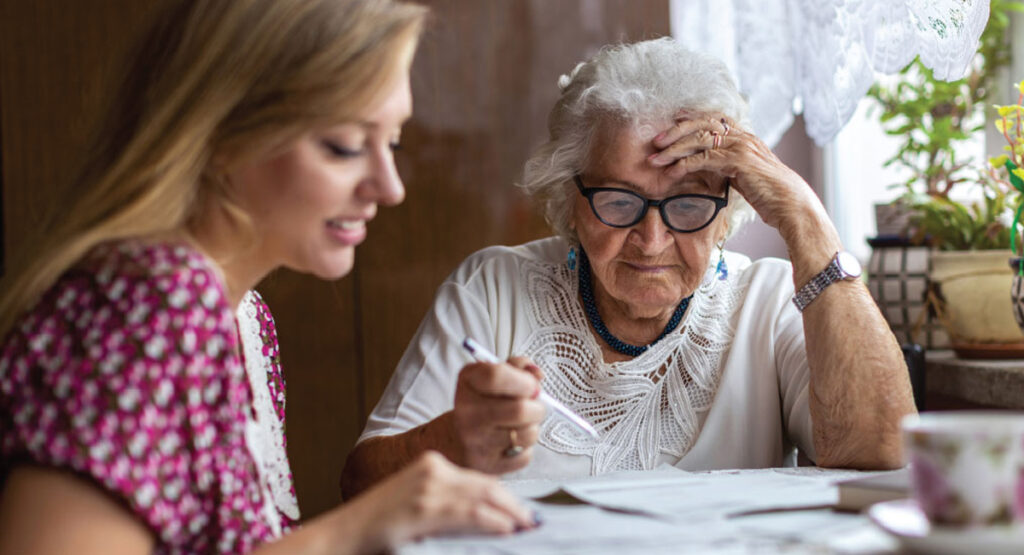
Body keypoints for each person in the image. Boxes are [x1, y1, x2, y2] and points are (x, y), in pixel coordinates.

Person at [0, 1, 537, 553]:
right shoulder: (143, 311)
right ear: (224, 133)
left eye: (393, 142)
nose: (390, 186)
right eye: (346, 146)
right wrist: (353, 529)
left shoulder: (245, 319)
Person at [341, 37, 916, 496]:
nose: (651, 239)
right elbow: (361, 485)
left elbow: (886, 457)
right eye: (619, 201)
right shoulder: (494, 289)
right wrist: (453, 438)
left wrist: (805, 219)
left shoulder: (766, 302)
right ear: (571, 202)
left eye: (689, 204)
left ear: (725, 212)